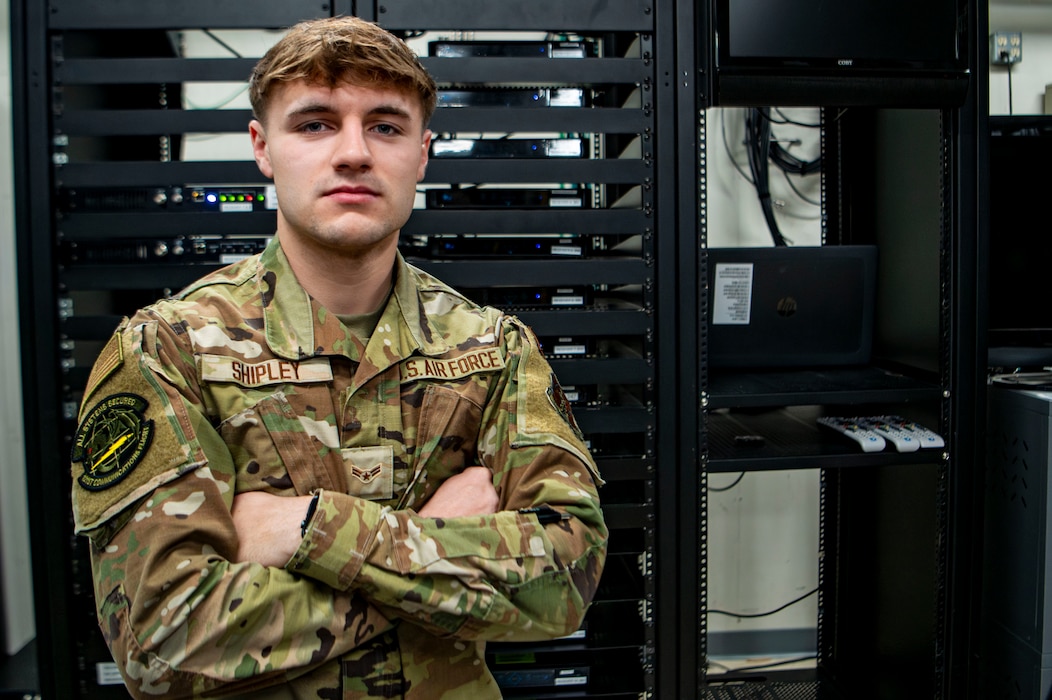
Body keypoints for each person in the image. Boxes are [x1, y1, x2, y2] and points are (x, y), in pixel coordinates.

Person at [69, 15, 607, 699]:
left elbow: (566, 580)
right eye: (316, 124)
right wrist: (433, 547)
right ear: (263, 147)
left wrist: (302, 529)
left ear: (422, 152)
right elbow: (159, 639)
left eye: (385, 126)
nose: (353, 153)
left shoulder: (493, 349)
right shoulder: (168, 350)